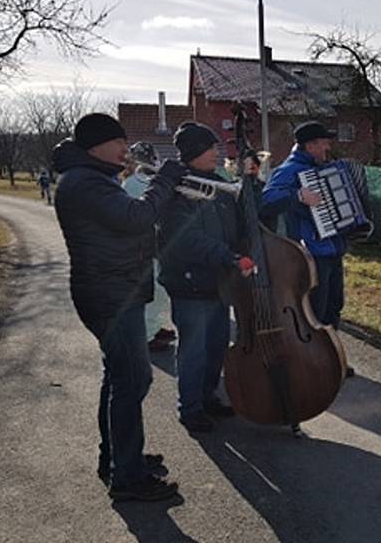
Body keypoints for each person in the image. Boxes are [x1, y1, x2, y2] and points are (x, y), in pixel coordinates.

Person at [53, 113, 185, 502]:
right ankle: (127, 478)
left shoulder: (92, 177)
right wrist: (165, 181)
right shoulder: (84, 182)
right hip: (110, 295)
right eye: (118, 142)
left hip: (113, 290)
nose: (126, 150)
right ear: (96, 145)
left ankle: (116, 458)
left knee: (118, 379)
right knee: (132, 382)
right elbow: (137, 217)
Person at [157, 122, 255, 433]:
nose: (217, 152)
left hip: (218, 282)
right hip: (189, 283)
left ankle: (208, 395)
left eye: (216, 146)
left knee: (215, 347)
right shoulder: (177, 189)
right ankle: (190, 407)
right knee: (193, 351)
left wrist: (253, 184)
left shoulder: (221, 186)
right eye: (210, 148)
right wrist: (229, 257)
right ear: (193, 152)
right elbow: (186, 239)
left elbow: (243, 224)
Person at [259, 121, 354, 377]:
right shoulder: (290, 170)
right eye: (324, 142)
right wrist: (298, 196)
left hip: (332, 250)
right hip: (310, 253)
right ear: (310, 145)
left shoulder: (323, 169)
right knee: (316, 311)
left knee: (334, 306)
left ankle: (333, 359)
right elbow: (266, 201)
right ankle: (314, 366)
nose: (328, 146)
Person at [120, 145, 177, 352]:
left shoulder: (135, 182)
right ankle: (147, 334)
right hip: (146, 244)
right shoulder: (135, 183)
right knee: (156, 290)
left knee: (157, 290)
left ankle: (150, 328)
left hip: (152, 243)